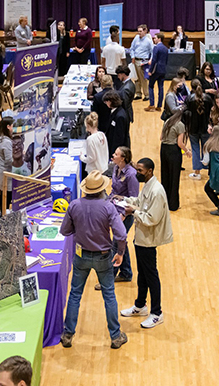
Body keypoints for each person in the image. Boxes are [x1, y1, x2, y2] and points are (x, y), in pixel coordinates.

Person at [59, 171, 129, 349]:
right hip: (103, 256)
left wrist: (80, 228)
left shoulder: (74, 205)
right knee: (109, 296)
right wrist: (120, 252)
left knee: (75, 294)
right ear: (102, 189)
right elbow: (121, 234)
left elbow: (64, 231)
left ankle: (68, 334)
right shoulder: (108, 207)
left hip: (81, 255)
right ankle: (115, 336)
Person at [120, 158, 172, 329]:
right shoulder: (148, 185)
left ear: (149, 171)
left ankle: (157, 313)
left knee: (151, 275)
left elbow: (151, 218)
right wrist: (127, 200)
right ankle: (140, 305)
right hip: (141, 237)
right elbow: (140, 203)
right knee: (142, 273)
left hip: (148, 239)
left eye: (140, 170)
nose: (137, 173)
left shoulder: (157, 191)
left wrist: (133, 211)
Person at [109, 146, 138, 282]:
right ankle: (126, 272)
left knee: (116, 243)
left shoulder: (131, 175)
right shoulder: (115, 168)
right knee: (121, 242)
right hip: (114, 210)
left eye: (116, 154)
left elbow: (134, 199)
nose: (113, 155)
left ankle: (110, 277)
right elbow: (113, 190)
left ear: (123, 158)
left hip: (124, 214)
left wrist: (124, 215)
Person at [160, 103, 189, 211]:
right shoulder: (180, 125)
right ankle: (173, 204)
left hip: (163, 149)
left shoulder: (167, 121)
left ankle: (164, 202)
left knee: (165, 175)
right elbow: (180, 143)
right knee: (174, 177)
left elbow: (161, 137)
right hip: (173, 151)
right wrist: (187, 151)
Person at [185, 82, 212, 180]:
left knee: (195, 149)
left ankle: (197, 172)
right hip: (205, 128)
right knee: (206, 149)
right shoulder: (208, 98)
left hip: (193, 128)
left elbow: (185, 113)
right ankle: (208, 169)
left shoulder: (189, 99)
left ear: (192, 88)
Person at [0, 117, 14, 208]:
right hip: (5, 175)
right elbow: (9, 160)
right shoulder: (6, 142)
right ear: (8, 127)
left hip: (3, 173)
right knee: (6, 199)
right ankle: (3, 217)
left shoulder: (2, 139)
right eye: (14, 126)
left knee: (4, 198)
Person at [104, 90, 130, 157]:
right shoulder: (116, 111)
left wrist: (114, 153)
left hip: (118, 149)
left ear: (110, 102)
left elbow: (119, 137)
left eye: (106, 101)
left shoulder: (120, 116)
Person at [147, 33, 169, 111]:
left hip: (155, 70)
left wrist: (150, 70)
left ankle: (152, 105)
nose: (154, 39)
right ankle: (159, 106)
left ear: (159, 39)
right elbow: (166, 60)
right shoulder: (166, 48)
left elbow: (154, 60)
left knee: (150, 86)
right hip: (163, 70)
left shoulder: (156, 48)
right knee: (161, 88)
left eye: (155, 38)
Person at [130, 24, 152, 99]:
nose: (139, 33)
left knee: (143, 79)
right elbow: (132, 48)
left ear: (145, 31)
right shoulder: (136, 38)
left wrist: (150, 60)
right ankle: (138, 93)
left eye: (140, 31)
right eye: (138, 31)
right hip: (135, 60)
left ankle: (147, 94)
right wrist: (132, 56)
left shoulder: (148, 41)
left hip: (143, 61)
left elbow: (152, 52)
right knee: (136, 78)